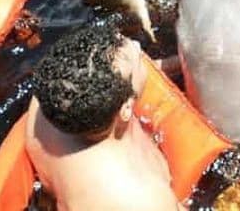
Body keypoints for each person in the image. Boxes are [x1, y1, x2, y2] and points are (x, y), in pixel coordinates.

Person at [25, 23, 180, 211]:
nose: (137, 46)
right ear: (125, 109)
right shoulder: (140, 199)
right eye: (133, 61)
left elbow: (103, 76)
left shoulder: (55, 92)